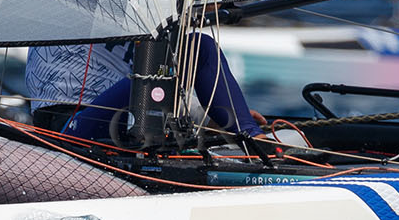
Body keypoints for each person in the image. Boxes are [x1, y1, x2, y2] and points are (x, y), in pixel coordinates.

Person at [26, 32, 263, 143]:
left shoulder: (135, 12)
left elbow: (154, 85)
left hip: (111, 120)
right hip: (68, 128)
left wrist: (210, 120)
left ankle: (247, 132)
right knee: (199, 47)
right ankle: (254, 139)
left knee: (163, 65)